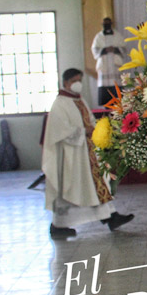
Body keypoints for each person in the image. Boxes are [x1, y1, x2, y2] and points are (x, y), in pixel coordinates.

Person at [41, 68, 134, 239]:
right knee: (73, 188)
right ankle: (58, 225)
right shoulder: (60, 104)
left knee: (97, 184)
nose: (78, 84)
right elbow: (59, 131)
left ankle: (110, 217)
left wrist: (96, 129)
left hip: (87, 151)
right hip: (71, 156)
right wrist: (84, 131)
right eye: (74, 80)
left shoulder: (79, 99)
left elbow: (90, 120)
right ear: (66, 82)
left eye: (80, 80)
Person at [90, 17, 126, 106]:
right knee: (104, 85)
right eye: (105, 24)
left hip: (115, 65)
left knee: (116, 85)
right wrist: (104, 50)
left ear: (111, 24)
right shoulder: (99, 36)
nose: (106, 25)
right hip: (104, 64)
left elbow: (124, 48)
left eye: (108, 24)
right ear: (102, 25)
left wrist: (115, 49)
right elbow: (94, 49)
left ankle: (118, 103)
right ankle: (106, 104)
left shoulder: (117, 35)